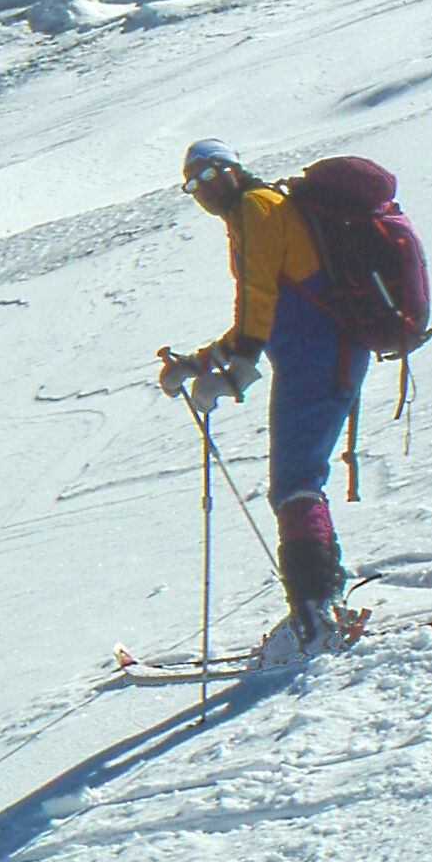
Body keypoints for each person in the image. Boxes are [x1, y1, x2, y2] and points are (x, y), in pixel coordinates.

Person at [159, 137, 364, 646]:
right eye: (192, 183)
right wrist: (197, 363)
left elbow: (259, 296)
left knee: (294, 483)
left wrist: (237, 372)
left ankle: (316, 618)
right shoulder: (259, 209)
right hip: (319, 356)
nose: (202, 189)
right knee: (298, 481)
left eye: (209, 174)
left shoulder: (254, 208)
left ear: (233, 169)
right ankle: (323, 604)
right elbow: (263, 311)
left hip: (318, 358)